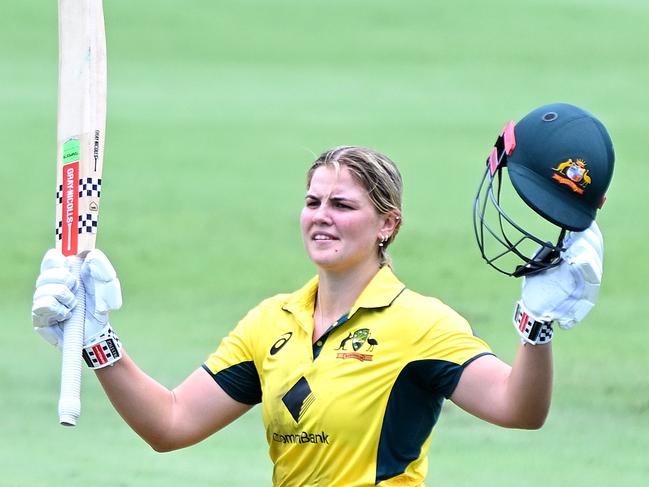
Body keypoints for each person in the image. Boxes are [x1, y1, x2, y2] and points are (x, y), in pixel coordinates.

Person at [32, 135, 607, 486]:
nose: (321, 216)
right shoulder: (270, 323)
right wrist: (98, 338)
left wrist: (536, 328)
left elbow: (519, 409)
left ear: (388, 224)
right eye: (312, 202)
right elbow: (171, 424)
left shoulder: (421, 324)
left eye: (342, 204)